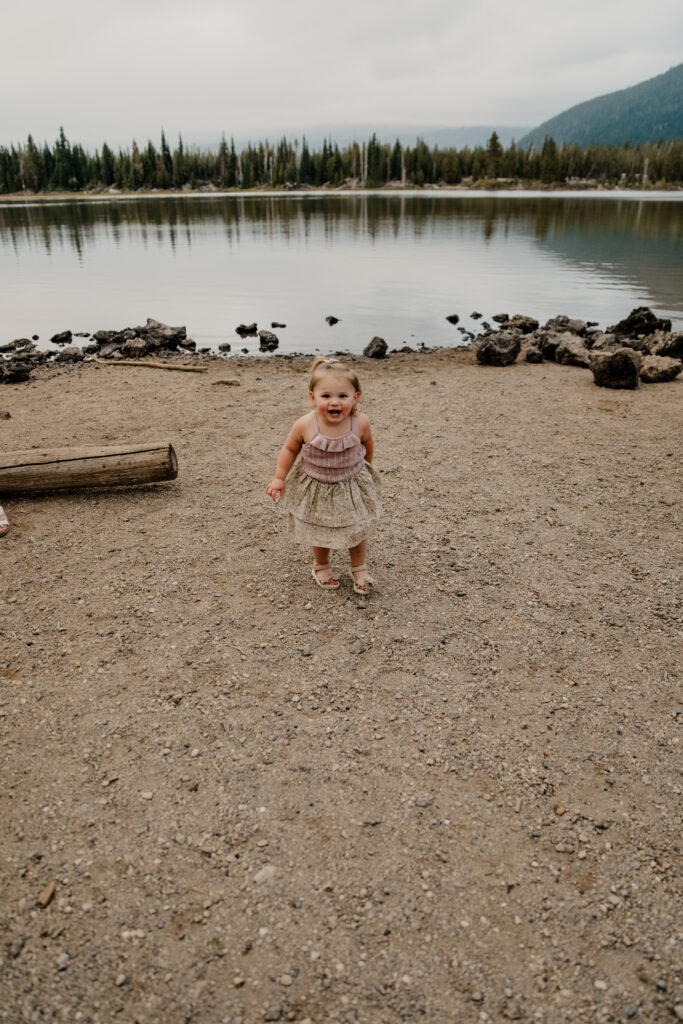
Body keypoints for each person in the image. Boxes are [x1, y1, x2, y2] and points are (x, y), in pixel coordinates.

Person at [266, 356, 380, 593]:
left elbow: (367, 444)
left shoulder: (360, 422)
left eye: (342, 396)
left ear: (355, 396)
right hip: (316, 485)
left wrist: (366, 467)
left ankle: (358, 566)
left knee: (357, 526)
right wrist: (279, 477)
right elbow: (289, 449)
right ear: (313, 397)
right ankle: (322, 565)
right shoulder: (305, 424)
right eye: (326, 396)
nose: (334, 403)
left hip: (351, 483)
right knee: (320, 527)